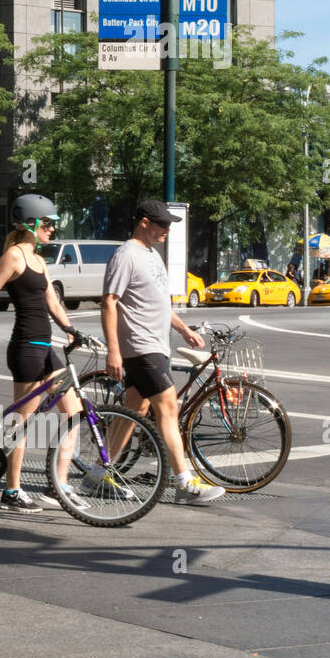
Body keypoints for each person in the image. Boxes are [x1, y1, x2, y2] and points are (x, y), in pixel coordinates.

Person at [0, 194, 88, 515]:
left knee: (74, 412)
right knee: (20, 424)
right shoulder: (13, 257)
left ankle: (60, 484)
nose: (53, 229)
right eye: (48, 223)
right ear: (31, 223)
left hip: (45, 348)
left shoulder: (39, 260)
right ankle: (12, 491)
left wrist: (71, 330)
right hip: (25, 348)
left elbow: (53, 302)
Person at [101, 200, 224, 504]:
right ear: (145, 222)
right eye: (162, 224)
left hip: (156, 343)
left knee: (134, 410)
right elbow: (109, 302)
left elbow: (159, 303)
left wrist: (183, 329)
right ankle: (184, 482)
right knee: (168, 407)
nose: (167, 230)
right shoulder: (126, 255)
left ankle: (97, 474)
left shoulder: (152, 255)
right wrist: (113, 352)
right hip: (141, 346)